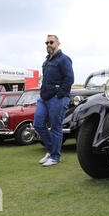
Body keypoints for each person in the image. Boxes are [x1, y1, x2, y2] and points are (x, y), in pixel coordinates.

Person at [34, 34, 74, 167]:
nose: (48, 45)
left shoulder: (64, 59)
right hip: (44, 98)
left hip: (57, 98)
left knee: (56, 127)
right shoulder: (46, 62)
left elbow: (69, 79)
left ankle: (55, 157)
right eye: (46, 43)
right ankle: (51, 150)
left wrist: (59, 94)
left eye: (51, 42)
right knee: (38, 124)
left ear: (58, 43)